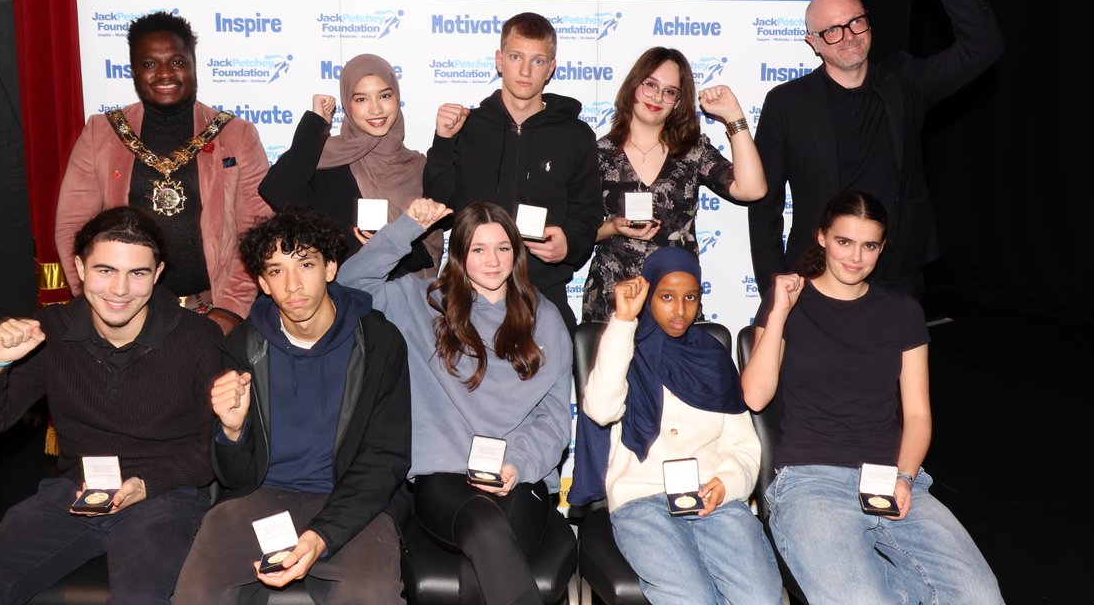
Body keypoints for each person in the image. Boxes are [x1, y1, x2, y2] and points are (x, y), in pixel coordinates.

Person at [0, 207, 221, 605]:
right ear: (79, 269)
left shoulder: (198, 338)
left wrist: (150, 484)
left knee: (140, 598)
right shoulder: (51, 331)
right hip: (76, 490)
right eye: (105, 270)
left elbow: (218, 447)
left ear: (157, 275)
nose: (119, 290)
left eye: (137, 273)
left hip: (166, 493)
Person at [740, 190, 1003, 604]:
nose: (856, 257)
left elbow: (917, 415)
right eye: (845, 241)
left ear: (882, 248)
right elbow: (755, 397)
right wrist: (778, 312)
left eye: (869, 246)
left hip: (893, 478)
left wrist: (904, 477)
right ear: (822, 237)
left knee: (979, 596)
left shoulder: (901, 312)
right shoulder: (790, 303)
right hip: (812, 482)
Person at [339, 198, 573, 605]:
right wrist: (407, 226)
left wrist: (518, 462)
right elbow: (348, 287)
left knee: (479, 566)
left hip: (520, 475)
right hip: (444, 477)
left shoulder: (545, 317)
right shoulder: (421, 301)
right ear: (459, 254)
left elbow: (554, 416)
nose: (493, 260)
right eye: (478, 249)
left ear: (516, 252)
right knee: (484, 530)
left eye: (502, 247)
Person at [748, 0, 1003, 301]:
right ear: (813, 43)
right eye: (832, 31)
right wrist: (774, 285)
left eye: (856, 22)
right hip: (816, 274)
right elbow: (764, 205)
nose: (848, 35)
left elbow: (983, 47)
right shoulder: (787, 103)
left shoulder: (905, 80)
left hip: (895, 273)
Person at [172, 207, 411, 604]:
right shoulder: (241, 347)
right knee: (196, 594)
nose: (293, 285)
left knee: (370, 594)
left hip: (351, 502)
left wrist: (323, 535)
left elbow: (386, 458)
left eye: (305, 264)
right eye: (276, 271)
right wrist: (230, 432)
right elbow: (236, 477)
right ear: (263, 283)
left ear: (331, 268)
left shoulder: (379, 342)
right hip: (261, 497)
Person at [572, 246, 781, 604]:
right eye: (667, 297)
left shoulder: (712, 357)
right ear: (648, 293)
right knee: (690, 597)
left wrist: (727, 482)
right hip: (642, 501)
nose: (680, 310)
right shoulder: (623, 347)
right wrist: (623, 322)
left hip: (715, 499)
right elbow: (602, 409)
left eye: (690, 298)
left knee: (760, 597)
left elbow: (744, 446)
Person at [55, 11, 272, 334]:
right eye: (149, 64)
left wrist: (231, 309)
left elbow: (257, 229)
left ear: (194, 65)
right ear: (133, 71)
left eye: (177, 61)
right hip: (127, 314)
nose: (165, 74)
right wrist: (100, 301)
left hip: (212, 312)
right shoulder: (103, 133)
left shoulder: (235, 135)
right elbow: (73, 228)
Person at [422, 11, 603, 331]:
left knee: (558, 379)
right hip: (468, 293)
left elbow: (588, 216)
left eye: (537, 61)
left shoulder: (575, 135)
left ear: (551, 68)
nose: (524, 70)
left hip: (543, 294)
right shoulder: (467, 127)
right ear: (499, 60)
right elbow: (440, 206)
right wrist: (443, 142)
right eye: (516, 56)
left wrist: (569, 245)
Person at [581, 47, 766, 323]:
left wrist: (733, 116)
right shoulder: (599, 154)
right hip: (612, 302)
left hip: (677, 305)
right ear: (633, 87)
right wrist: (612, 227)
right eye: (650, 85)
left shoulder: (692, 151)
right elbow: (579, 232)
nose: (657, 96)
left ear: (678, 102)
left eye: (669, 92)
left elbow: (752, 189)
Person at [258, 52, 442, 279]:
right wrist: (316, 123)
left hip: (403, 301)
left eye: (384, 95)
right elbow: (275, 190)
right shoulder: (328, 163)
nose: (376, 109)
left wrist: (391, 244)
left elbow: (431, 248)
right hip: (343, 303)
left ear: (397, 98)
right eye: (361, 99)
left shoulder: (417, 166)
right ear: (347, 104)